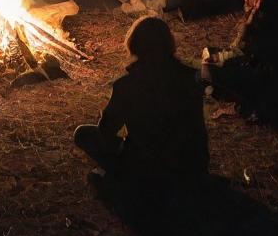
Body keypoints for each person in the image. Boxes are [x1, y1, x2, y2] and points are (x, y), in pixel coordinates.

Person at [74, 15, 209, 189]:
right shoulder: (191, 77)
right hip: (191, 166)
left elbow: (106, 132)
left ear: (134, 45)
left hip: (148, 170)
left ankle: (116, 175)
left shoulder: (127, 85)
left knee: (83, 134)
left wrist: (106, 114)